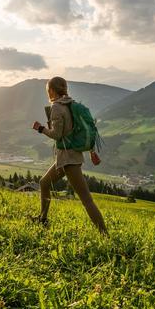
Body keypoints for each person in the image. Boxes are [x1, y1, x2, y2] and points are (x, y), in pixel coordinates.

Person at [31, 76, 108, 235]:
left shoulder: (57, 107)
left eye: (48, 90)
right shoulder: (71, 104)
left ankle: (105, 234)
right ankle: (42, 219)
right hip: (68, 157)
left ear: (51, 90)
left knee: (86, 200)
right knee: (44, 183)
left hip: (68, 160)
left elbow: (57, 135)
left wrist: (40, 129)